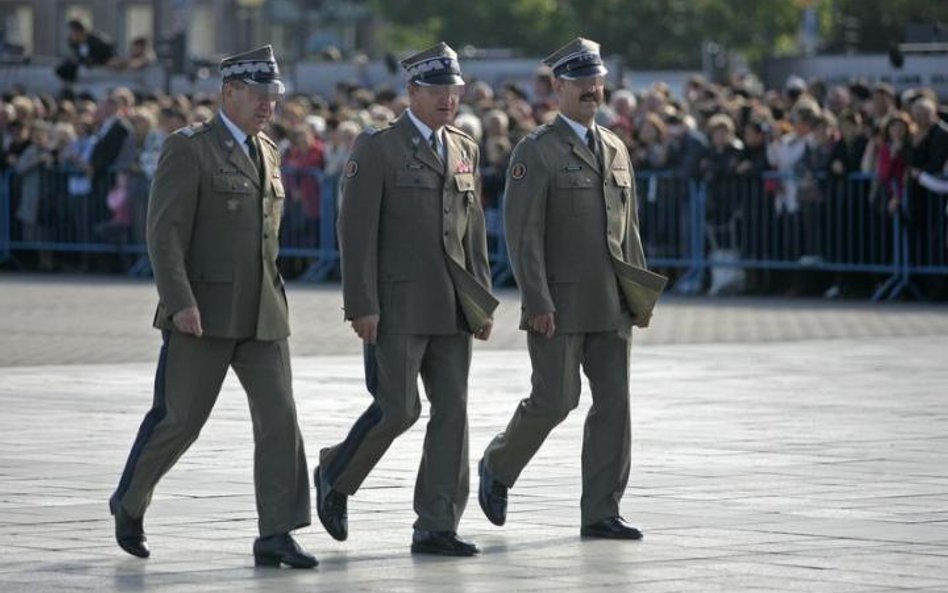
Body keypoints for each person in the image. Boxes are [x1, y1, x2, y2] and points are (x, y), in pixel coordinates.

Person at [108, 45, 316, 569]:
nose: (269, 104)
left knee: (280, 419)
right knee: (180, 420)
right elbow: (165, 233)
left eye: (274, 94)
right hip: (202, 312)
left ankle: (277, 531)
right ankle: (129, 501)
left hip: (262, 312)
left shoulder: (268, 150)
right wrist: (179, 302)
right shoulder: (190, 148)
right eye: (258, 94)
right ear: (229, 92)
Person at [477, 38, 665, 541]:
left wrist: (639, 294)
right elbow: (523, 236)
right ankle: (498, 465)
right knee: (555, 400)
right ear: (557, 87)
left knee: (614, 406)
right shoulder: (536, 151)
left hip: (612, 302)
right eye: (580, 81)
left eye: (596, 80)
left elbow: (629, 231)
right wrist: (536, 298)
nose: (590, 88)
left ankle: (601, 511)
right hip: (558, 303)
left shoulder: (617, 147)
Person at [314, 42, 497, 557]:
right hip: (396, 305)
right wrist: (361, 303)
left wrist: (479, 301)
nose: (448, 99)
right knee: (398, 408)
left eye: (454, 89)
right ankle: (335, 472)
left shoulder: (463, 147)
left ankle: (436, 523)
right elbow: (354, 231)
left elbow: (473, 231)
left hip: (452, 304)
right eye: (437, 89)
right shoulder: (378, 147)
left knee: (452, 411)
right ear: (412, 91)